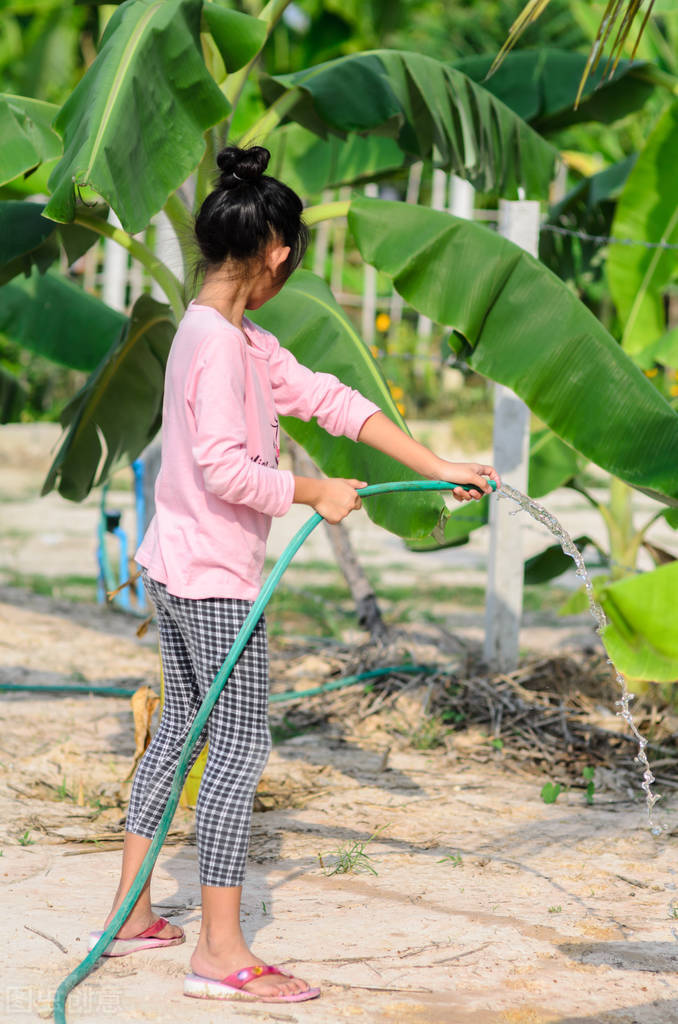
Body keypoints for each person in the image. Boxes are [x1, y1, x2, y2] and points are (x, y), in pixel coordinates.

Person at [89, 145, 500, 1005]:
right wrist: (314, 489)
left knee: (183, 733)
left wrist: (438, 467)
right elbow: (226, 471)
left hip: (180, 565)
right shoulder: (210, 344)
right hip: (209, 579)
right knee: (238, 747)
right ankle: (220, 951)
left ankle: (130, 916)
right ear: (276, 255)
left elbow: (331, 399)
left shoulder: (236, 335)